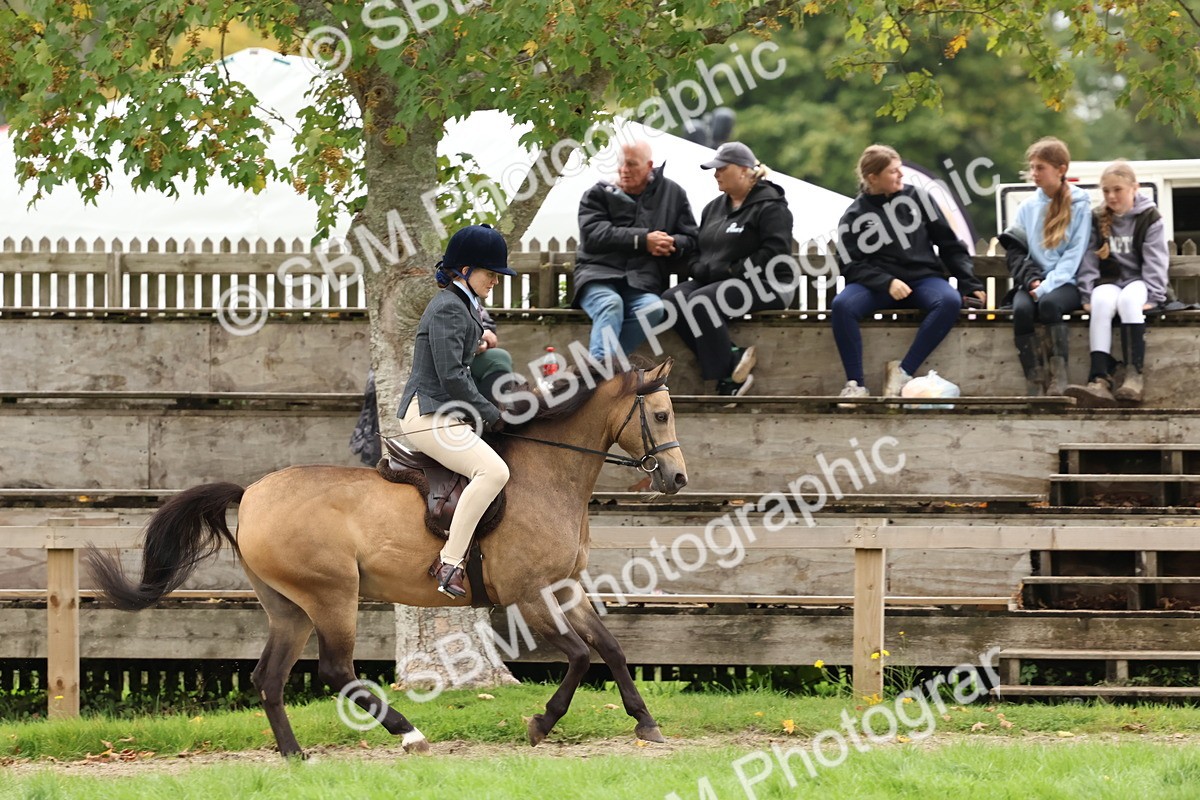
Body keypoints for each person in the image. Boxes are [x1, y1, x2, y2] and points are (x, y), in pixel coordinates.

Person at [397, 224, 515, 599]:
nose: (495, 281)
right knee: (493, 470)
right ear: (464, 270)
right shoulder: (449, 307)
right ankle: (449, 562)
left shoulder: (462, 305)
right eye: (491, 273)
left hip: (445, 411)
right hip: (427, 412)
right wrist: (490, 412)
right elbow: (450, 376)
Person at [832, 144, 985, 400]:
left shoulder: (919, 199)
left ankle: (903, 373)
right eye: (893, 172)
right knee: (842, 306)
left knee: (949, 301)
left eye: (900, 169)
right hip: (877, 287)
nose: (901, 175)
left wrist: (970, 283)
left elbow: (949, 244)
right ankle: (855, 386)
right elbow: (849, 264)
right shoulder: (855, 215)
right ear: (873, 178)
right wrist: (886, 282)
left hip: (923, 280)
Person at [661, 141, 793, 396]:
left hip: (768, 283)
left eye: (722, 168)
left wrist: (732, 271)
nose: (715, 174)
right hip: (719, 280)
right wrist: (698, 266)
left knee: (702, 301)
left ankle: (728, 379)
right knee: (670, 300)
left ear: (744, 170)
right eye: (715, 169)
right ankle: (733, 360)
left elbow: (774, 254)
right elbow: (700, 247)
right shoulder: (713, 208)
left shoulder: (771, 205)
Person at [573, 141, 698, 361]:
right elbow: (593, 235)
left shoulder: (673, 193)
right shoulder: (598, 193)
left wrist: (672, 243)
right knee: (611, 304)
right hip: (597, 277)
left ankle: (599, 373)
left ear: (649, 165)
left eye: (631, 164)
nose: (623, 170)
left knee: (653, 308)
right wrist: (642, 240)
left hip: (641, 282)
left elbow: (692, 238)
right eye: (621, 163)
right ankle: (603, 377)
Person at [1065, 161, 1168, 406]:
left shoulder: (1149, 218)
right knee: (1101, 301)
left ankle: (1134, 375)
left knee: (1129, 301)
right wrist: (1087, 294)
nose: (1111, 196)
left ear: (1134, 188)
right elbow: (1089, 258)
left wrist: (1153, 296)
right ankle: (1099, 377)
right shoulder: (1098, 217)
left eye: (1118, 190)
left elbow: (1156, 260)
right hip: (1110, 281)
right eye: (1106, 191)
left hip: (1139, 281)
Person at [1010, 137, 1092, 396]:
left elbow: (1073, 256)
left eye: (1040, 168)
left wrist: (1046, 287)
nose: (1034, 173)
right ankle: (1034, 377)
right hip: (1034, 281)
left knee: (1049, 305)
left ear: (1061, 169)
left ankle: (1060, 375)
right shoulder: (1026, 207)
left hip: (1066, 283)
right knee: (1021, 310)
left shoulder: (1080, 205)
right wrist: (1032, 281)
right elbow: (1017, 250)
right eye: (1032, 167)